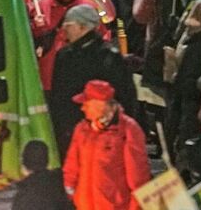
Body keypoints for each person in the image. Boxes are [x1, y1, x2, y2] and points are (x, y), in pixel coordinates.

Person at [47, 4, 139, 158]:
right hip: (101, 136)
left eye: (68, 25)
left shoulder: (67, 56)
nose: (64, 29)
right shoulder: (110, 55)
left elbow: (59, 99)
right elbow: (127, 98)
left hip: (80, 134)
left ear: (82, 27)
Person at [61, 80, 149, 210]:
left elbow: (138, 177)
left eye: (86, 104)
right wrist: (68, 195)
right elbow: (71, 167)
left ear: (100, 104)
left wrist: (135, 207)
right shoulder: (82, 129)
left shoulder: (128, 130)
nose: (82, 108)